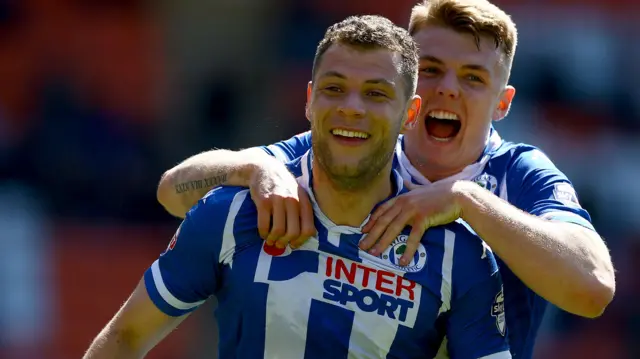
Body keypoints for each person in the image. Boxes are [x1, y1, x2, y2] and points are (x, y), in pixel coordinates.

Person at [155, 1, 616, 358]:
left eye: (473, 77)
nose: (448, 89)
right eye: (432, 69)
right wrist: (253, 168)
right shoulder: (356, 148)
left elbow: (593, 288)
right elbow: (174, 190)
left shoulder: (520, 175)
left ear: (503, 103)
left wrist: (467, 200)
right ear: (411, 85)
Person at [84, 15, 511, 359]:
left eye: (376, 94)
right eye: (334, 89)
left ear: (410, 113)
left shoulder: (458, 254)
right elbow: (126, 337)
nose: (351, 108)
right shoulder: (238, 210)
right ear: (309, 100)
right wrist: (251, 167)